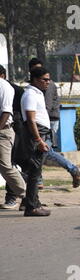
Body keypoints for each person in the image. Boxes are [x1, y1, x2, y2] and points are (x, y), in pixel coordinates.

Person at [28, 58, 80, 189]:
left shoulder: (48, 85)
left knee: (45, 151)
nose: (45, 80)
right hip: (42, 122)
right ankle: (39, 179)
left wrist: (37, 122)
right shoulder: (33, 87)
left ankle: (73, 169)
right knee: (41, 151)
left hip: (49, 121)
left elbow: (44, 108)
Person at [20, 67, 52, 216]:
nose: (48, 82)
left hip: (41, 133)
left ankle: (33, 202)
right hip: (36, 136)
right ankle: (31, 206)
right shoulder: (30, 95)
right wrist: (38, 140)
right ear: (35, 79)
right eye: (44, 79)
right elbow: (31, 120)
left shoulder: (37, 94)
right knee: (34, 171)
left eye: (48, 79)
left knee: (35, 171)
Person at [0, 65, 26, 210]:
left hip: (3, 132)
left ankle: (27, 194)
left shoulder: (4, 87)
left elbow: (6, 112)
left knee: (6, 166)